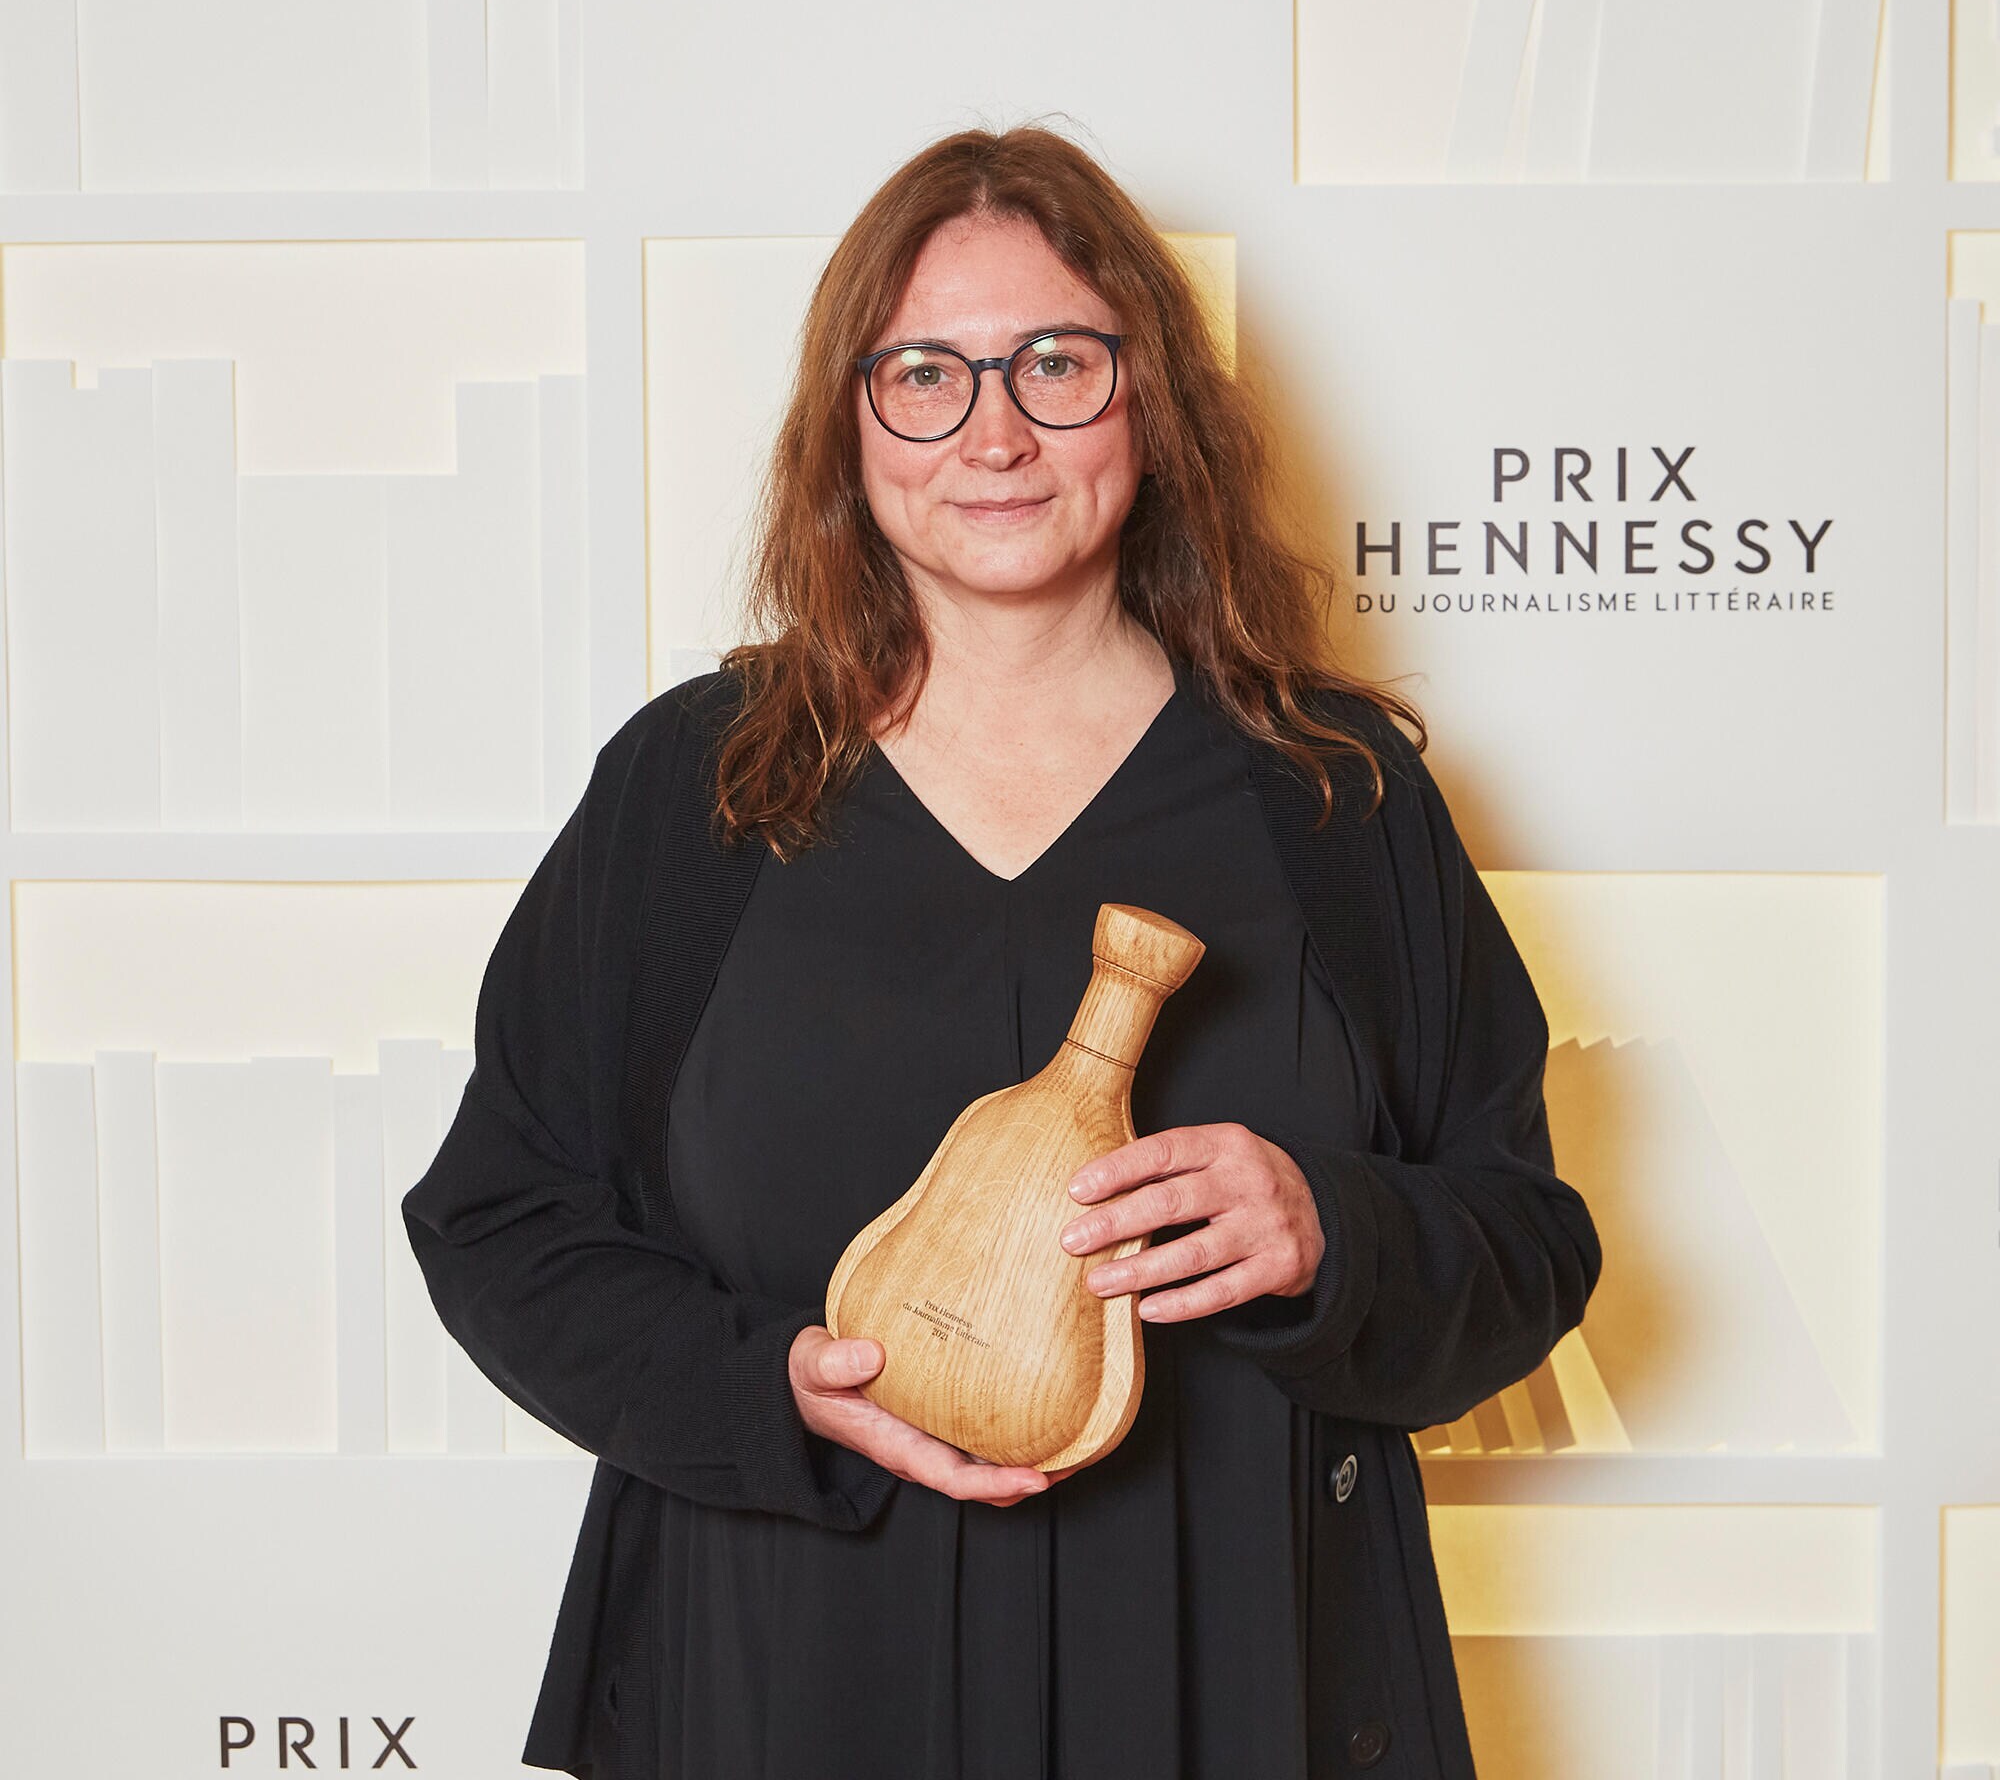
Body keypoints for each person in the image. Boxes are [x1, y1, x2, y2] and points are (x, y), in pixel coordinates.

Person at [402, 122, 1603, 1780]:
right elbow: (500, 1220)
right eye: (925, 374)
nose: (994, 432)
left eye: (1057, 363)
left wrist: (1333, 1227)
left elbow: (1528, 1243)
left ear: (1151, 402)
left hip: (1233, 1680)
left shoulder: (1336, 797)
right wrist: (769, 1391)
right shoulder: (697, 790)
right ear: (848, 423)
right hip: (784, 1674)